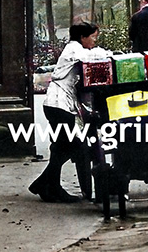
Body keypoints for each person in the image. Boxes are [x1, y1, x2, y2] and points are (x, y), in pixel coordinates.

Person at [29, 22, 111, 203]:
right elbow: (94, 56)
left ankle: (48, 186)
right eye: (93, 37)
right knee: (74, 147)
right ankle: (44, 184)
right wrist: (109, 54)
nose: (94, 41)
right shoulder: (74, 49)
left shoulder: (75, 50)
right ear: (82, 37)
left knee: (61, 149)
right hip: (59, 105)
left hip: (59, 105)